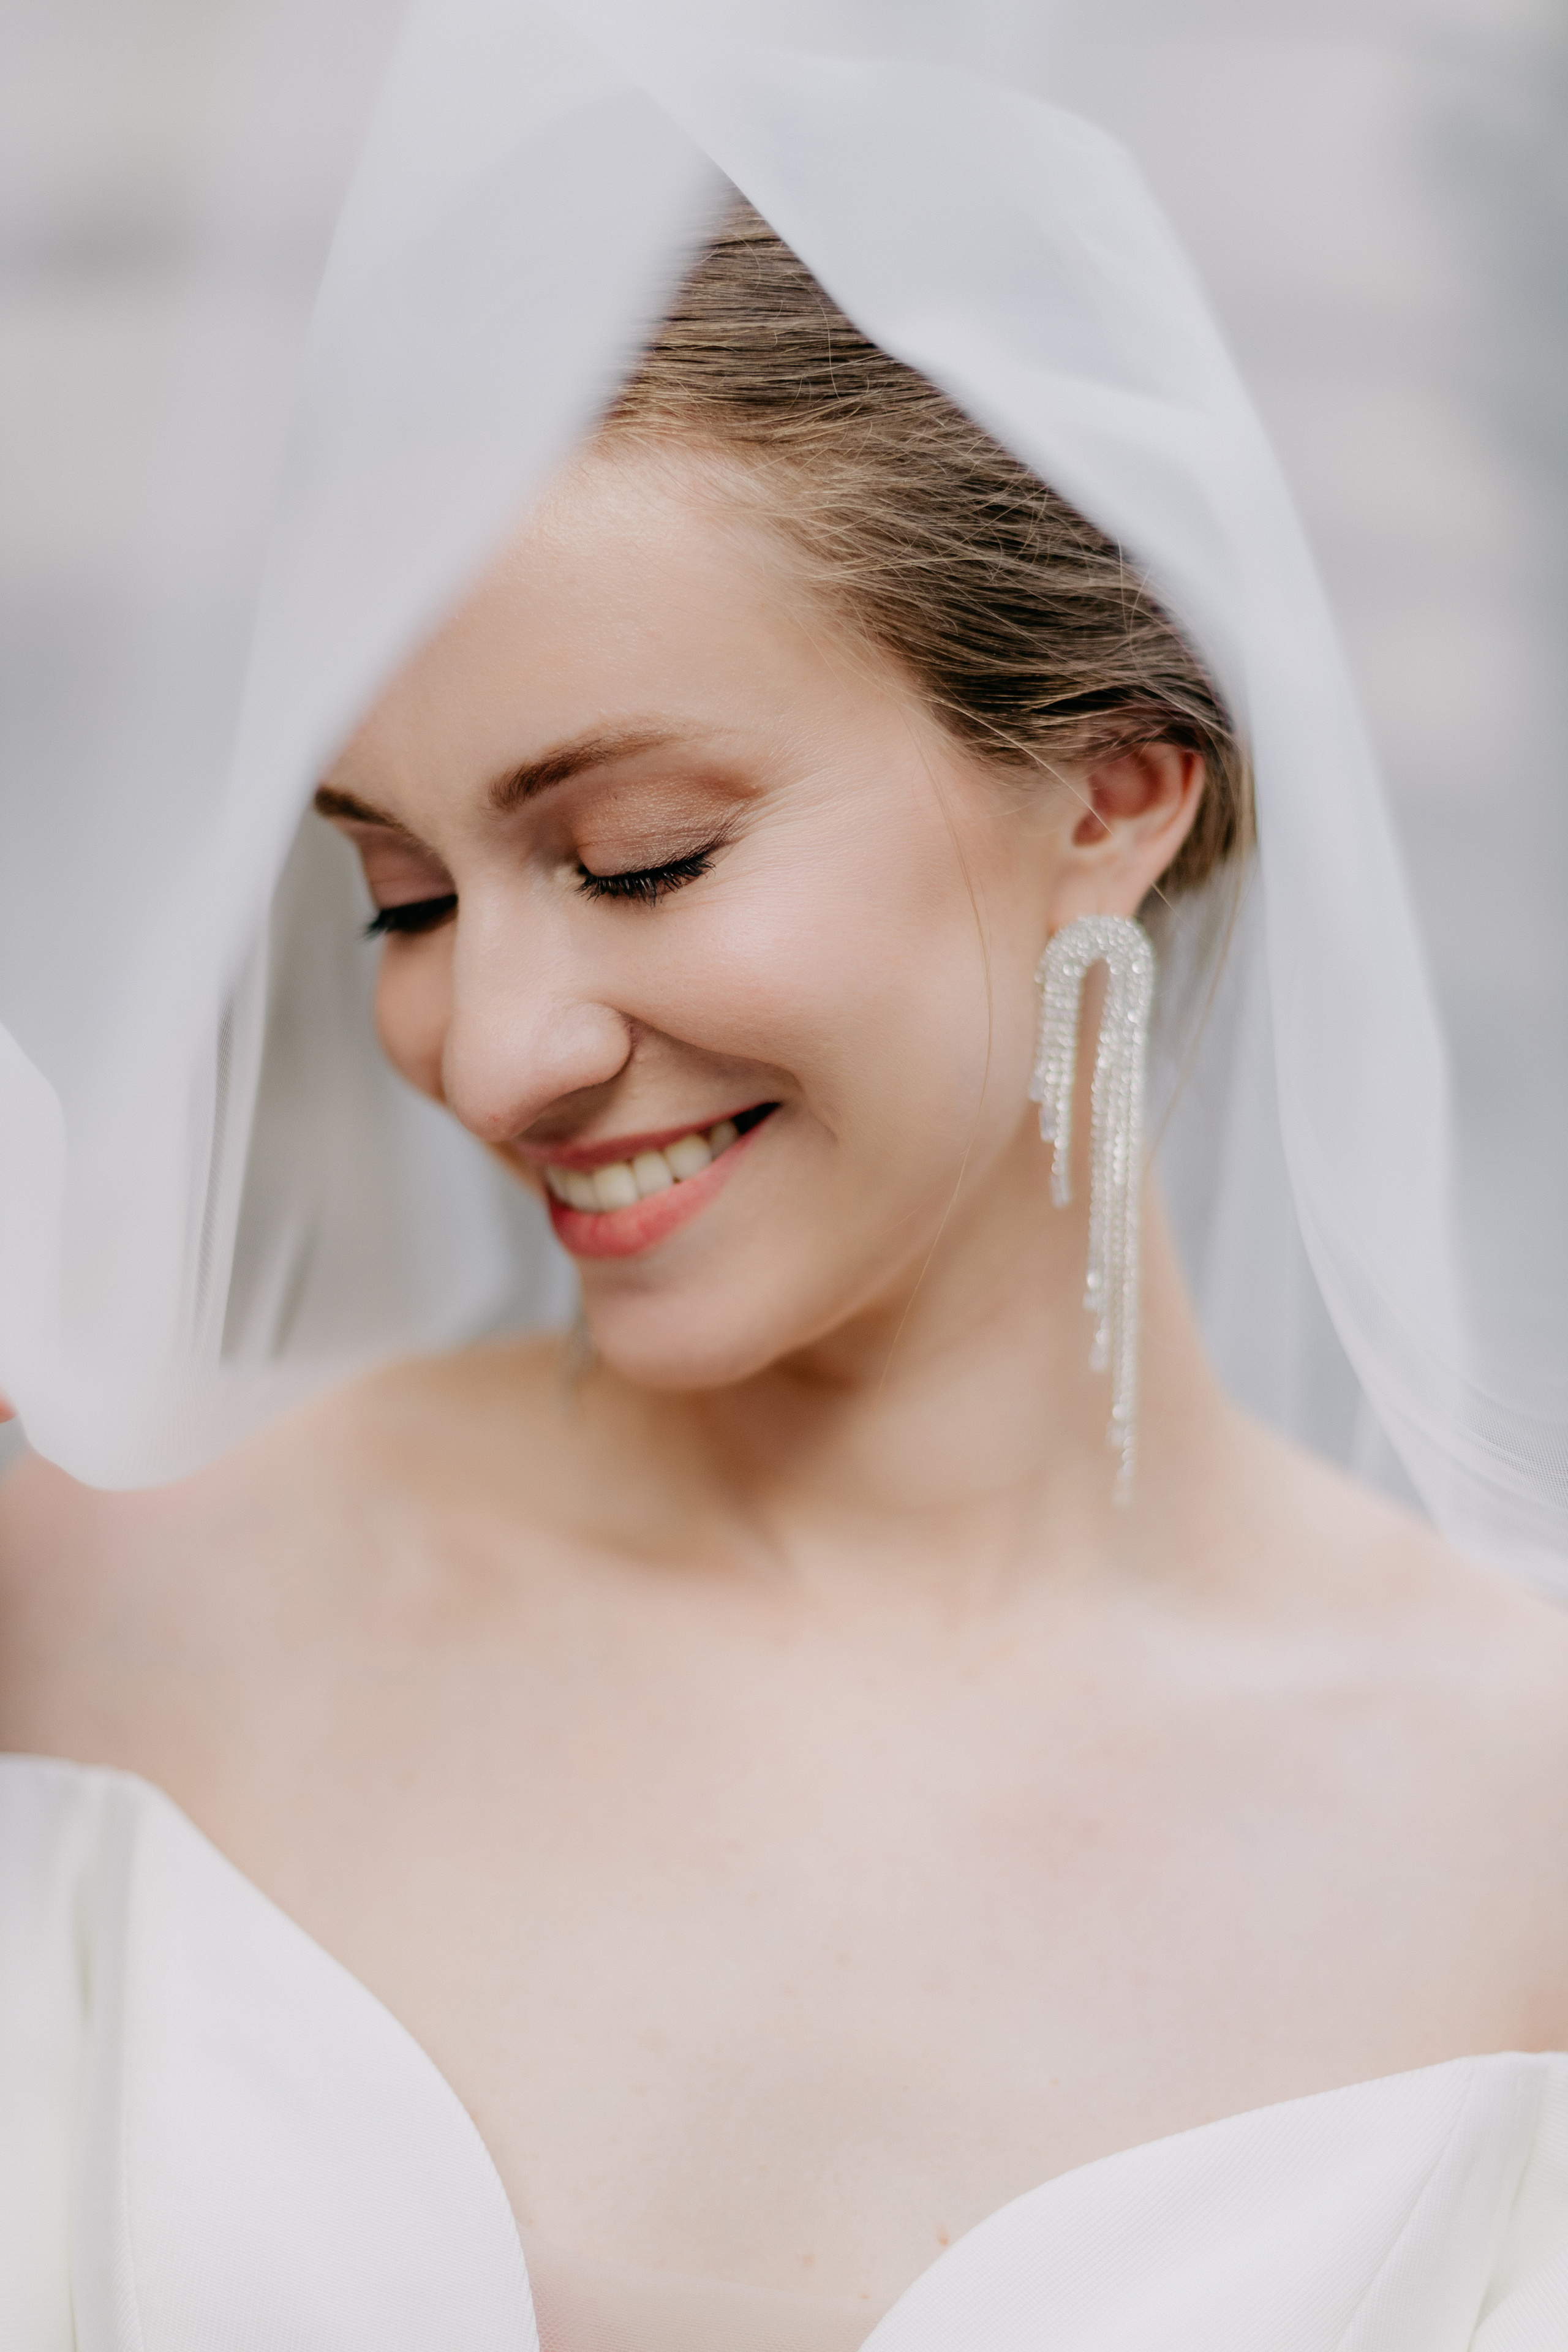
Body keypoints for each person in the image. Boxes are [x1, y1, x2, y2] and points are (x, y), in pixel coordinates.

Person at [3, 189, 1568, 2348]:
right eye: (399, 894)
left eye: (642, 856)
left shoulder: (1522, 1835)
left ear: (1112, 796)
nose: (488, 1045)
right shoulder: (105, 1592)